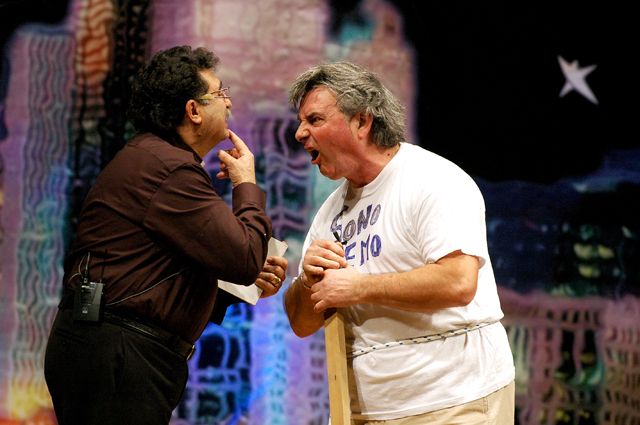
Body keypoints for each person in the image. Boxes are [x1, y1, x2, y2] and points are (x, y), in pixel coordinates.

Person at [44, 45, 288, 425]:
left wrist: (242, 282)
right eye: (220, 93)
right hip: (120, 354)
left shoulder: (155, 158)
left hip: (111, 349)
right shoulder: (169, 169)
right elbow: (243, 258)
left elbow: (157, 272)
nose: (228, 103)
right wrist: (246, 184)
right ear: (193, 110)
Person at [283, 61, 515, 424]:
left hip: (455, 401)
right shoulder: (328, 214)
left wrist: (359, 288)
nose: (300, 133)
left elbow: (458, 282)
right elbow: (301, 323)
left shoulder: (433, 180)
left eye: (314, 120)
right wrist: (307, 282)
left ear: (362, 121)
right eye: (301, 122)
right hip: (367, 411)